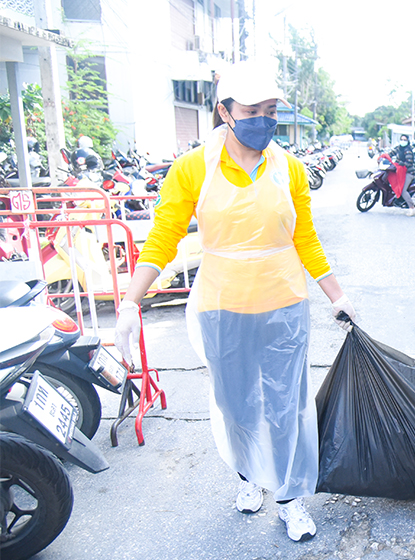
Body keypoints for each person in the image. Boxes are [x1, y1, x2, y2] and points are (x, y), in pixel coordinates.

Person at [113, 60, 358, 543]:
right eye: (252, 110)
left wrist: (338, 296)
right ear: (225, 112)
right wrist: (129, 302)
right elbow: (163, 237)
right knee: (236, 404)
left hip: (284, 304)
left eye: (271, 111)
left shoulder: (290, 168)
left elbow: (305, 238)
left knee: (286, 406)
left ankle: (289, 496)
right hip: (222, 306)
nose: (264, 120)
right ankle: (249, 475)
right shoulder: (192, 168)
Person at [388, 134, 415, 216]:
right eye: (401, 139)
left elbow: (409, 162)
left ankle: (412, 207)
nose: (403, 141)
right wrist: (385, 156)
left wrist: (403, 164)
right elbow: (392, 153)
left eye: (405, 140)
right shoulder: (399, 148)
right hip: (400, 172)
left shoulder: (408, 150)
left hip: (409, 173)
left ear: (408, 141)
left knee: (403, 190)